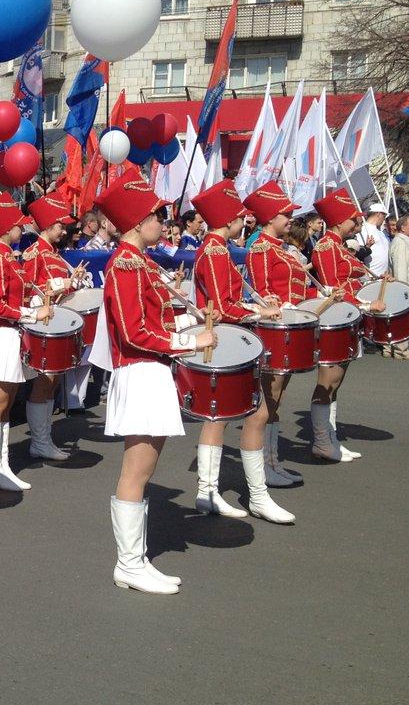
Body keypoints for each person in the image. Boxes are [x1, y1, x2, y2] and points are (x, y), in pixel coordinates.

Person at [94, 171, 215, 595]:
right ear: (137, 221)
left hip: (153, 370)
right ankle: (129, 563)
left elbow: (151, 319)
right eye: (157, 216)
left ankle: (137, 559)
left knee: (144, 470)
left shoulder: (141, 262)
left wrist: (187, 317)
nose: (163, 223)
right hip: (141, 372)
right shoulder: (125, 265)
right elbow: (130, 332)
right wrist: (188, 340)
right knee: (136, 472)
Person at [190, 181, 293, 524]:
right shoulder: (216, 250)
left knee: (230, 416)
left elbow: (227, 301)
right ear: (229, 220)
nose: (244, 223)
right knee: (244, 414)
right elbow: (222, 306)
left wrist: (256, 304)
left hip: (224, 338)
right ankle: (247, 495)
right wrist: (258, 312)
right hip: (223, 340)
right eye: (240, 218)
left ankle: (219, 492)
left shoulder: (215, 248)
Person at [0, 194, 51, 492]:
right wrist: (33, 312)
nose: (22, 229)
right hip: (2, 334)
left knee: (6, 403)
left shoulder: (9, 257)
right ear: (8, 228)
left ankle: (2, 465)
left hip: (13, 333)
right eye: (18, 225)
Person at [243, 182, 314, 486]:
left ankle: (271, 461)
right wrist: (279, 305)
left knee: (276, 399)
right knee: (267, 400)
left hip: (288, 326)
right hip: (273, 330)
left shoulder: (281, 248)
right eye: (286, 214)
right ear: (271, 218)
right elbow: (262, 291)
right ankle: (263, 467)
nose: (290, 219)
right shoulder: (260, 248)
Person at [309, 189, 387, 463]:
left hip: (348, 317)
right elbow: (333, 290)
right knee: (328, 380)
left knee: (337, 382)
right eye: (352, 220)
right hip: (335, 318)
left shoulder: (339, 246)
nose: (356, 224)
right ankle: (321, 440)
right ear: (339, 222)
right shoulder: (326, 247)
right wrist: (366, 305)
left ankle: (331, 439)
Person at [21, 191, 89, 462]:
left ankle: (44, 438)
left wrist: (73, 280)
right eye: (61, 225)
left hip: (57, 324)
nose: (64, 230)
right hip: (42, 326)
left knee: (53, 380)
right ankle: (39, 441)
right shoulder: (33, 253)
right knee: (44, 382)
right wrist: (67, 283)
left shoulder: (54, 253)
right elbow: (28, 290)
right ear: (48, 226)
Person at [386, 213, 409, 359]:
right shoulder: (400, 243)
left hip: (408, 286)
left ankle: (389, 348)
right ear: (403, 228)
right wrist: (404, 290)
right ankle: (401, 350)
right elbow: (400, 268)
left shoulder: (406, 241)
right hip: (405, 287)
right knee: (403, 318)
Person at [352, 202, 391, 278]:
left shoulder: (382, 232)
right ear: (379, 214)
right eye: (384, 216)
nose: (384, 219)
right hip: (371, 275)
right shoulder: (363, 230)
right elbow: (357, 252)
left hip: (384, 276)